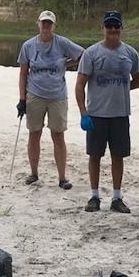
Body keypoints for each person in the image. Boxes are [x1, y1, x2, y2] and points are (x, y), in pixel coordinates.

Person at [74, 11, 139, 213]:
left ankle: (116, 197)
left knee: (118, 156)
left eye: (116, 26)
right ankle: (94, 196)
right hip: (96, 114)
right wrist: (83, 113)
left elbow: (138, 80)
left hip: (120, 114)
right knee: (95, 155)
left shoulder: (130, 53)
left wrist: (121, 89)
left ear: (121, 28)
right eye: (109, 26)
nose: (112, 30)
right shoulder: (91, 53)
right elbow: (80, 85)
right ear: (103, 28)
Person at [16, 10, 85, 189]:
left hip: (57, 96)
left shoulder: (61, 42)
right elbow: (23, 72)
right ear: (38, 24)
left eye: (49, 23)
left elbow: (82, 55)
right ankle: (34, 173)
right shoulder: (28, 45)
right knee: (34, 133)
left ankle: (62, 178)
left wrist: (66, 64)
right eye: (43, 23)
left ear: (54, 25)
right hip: (35, 94)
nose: (46, 26)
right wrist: (22, 99)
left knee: (58, 135)